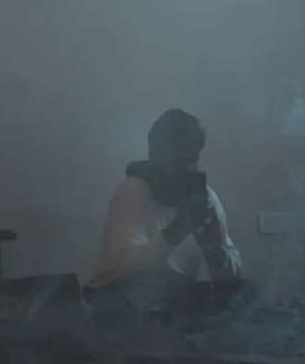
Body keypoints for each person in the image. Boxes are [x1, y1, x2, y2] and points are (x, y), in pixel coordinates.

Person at [91, 110, 241, 305]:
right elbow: (124, 270)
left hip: (172, 304)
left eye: (193, 160)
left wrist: (215, 251)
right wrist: (176, 230)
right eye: (180, 162)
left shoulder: (206, 197)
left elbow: (231, 277)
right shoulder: (133, 190)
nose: (189, 169)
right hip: (117, 302)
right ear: (156, 158)